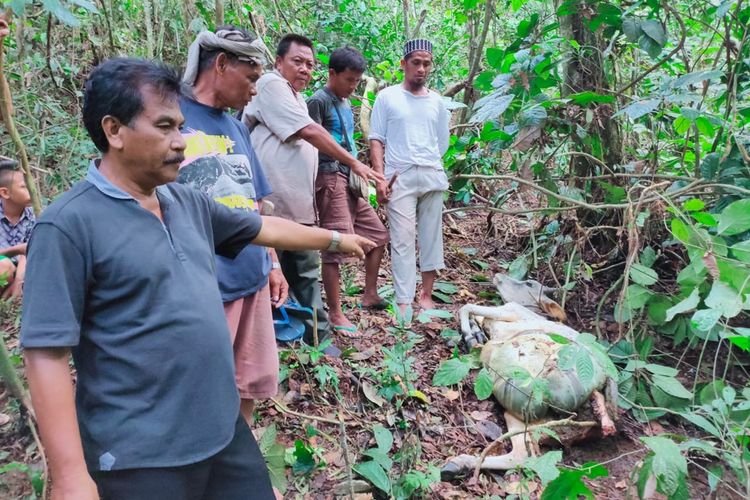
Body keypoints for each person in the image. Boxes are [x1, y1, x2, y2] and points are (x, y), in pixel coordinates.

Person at [20, 57, 373, 500]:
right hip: (141, 455)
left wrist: (336, 240)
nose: (181, 142)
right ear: (114, 131)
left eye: (181, 127)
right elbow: (46, 354)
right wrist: (71, 476)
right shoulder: (68, 225)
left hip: (222, 431)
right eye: (165, 127)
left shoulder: (183, 200)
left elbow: (261, 228)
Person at [243, 34, 384, 349]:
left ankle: (318, 341)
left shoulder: (298, 99)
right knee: (266, 278)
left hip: (300, 209)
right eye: (297, 61)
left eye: (310, 64)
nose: (305, 69)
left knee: (306, 277)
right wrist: (354, 163)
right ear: (279, 62)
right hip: (269, 209)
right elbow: (309, 132)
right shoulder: (270, 84)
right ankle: (268, 345)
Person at [178, 26, 284, 426]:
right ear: (221, 65)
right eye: (252, 78)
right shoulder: (171, 116)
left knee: (249, 384)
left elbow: (254, 201)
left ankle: (240, 467)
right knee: (203, 391)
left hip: (250, 276)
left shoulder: (237, 127)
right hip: (203, 285)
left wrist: (271, 263)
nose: (255, 91)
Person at [307, 47, 389, 337]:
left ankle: (369, 294)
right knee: (335, 245)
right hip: (329, 177)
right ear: (332, 73)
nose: (353, 86)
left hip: (351, 178)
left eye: (357, 81)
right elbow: (313, 141)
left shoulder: (343, 102)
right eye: (349, 80)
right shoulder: (318, 101)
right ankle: (336, 313)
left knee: (377, 235)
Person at [369, 39, 451, 317]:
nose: (421, 69)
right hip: (398, 176)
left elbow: (442, 143)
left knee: (431, 236)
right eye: (416, 62)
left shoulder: (437, 102)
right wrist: (380, 179)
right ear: (403, 64)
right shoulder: (387, 97)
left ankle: (426, 295)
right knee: (402, 239)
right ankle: (403, 300)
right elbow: (376, 139)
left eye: (427, 63)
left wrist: (426, 161)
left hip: (431, 174)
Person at [0, 158, 34, 299]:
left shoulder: (34, 216)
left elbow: (31, 250)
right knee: (5, 266)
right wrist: (17, 250)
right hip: (4, 267)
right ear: (5, 193)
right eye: (24, 186)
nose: (31, 188)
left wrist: (19, 281)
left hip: (23, 272)